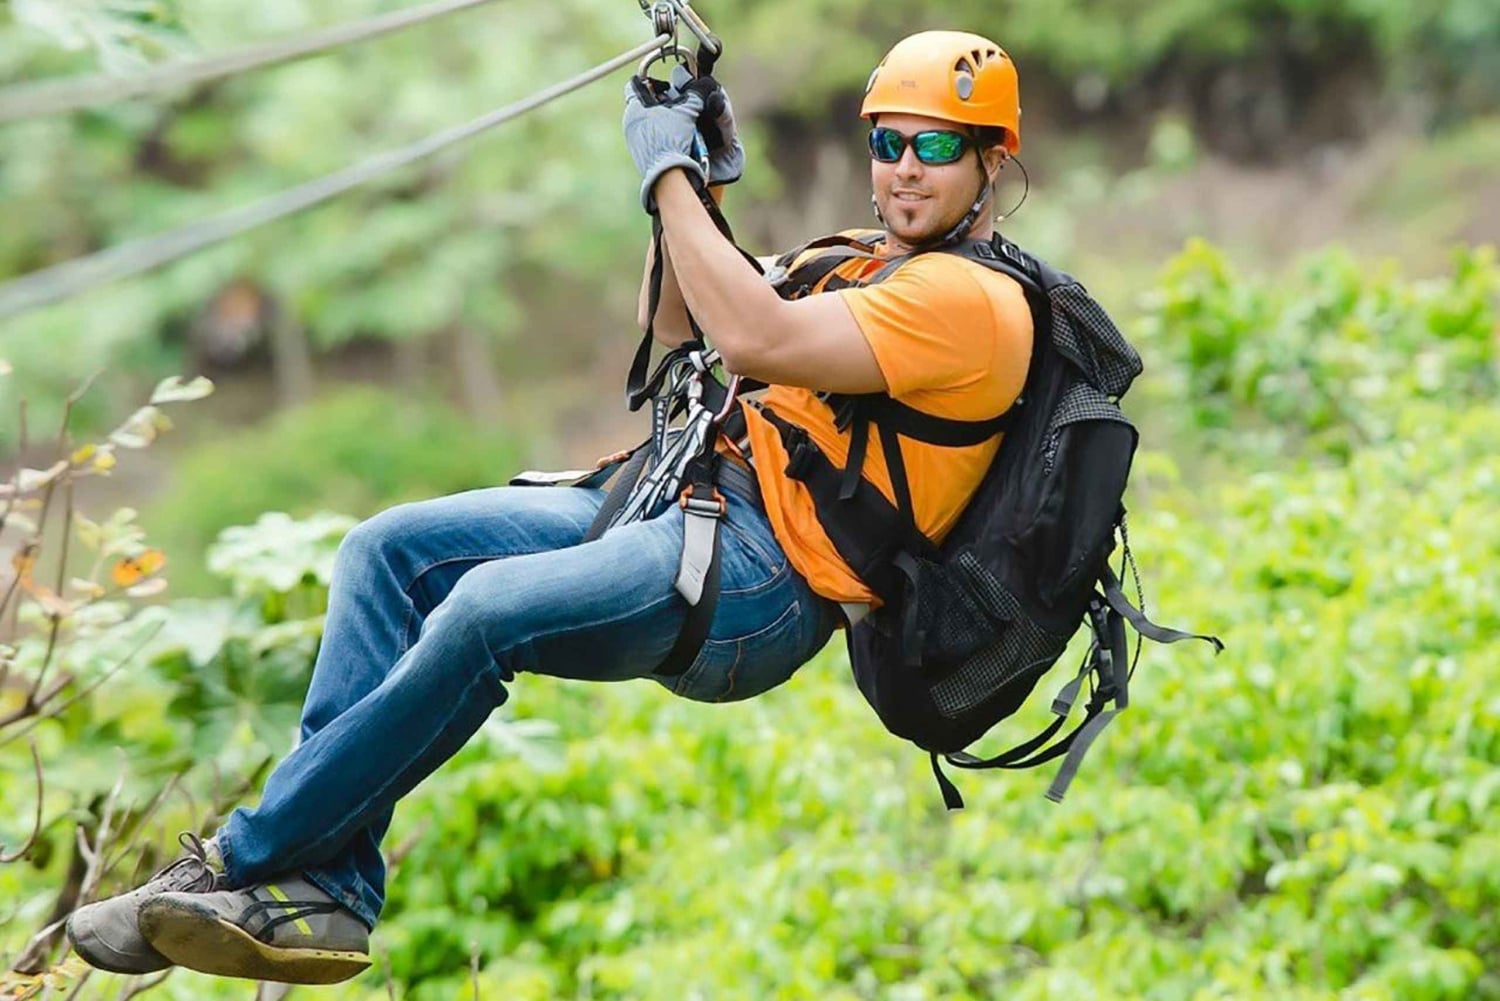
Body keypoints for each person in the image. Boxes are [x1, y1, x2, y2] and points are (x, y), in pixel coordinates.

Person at [64, 30, 1034, 986]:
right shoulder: (866, 257)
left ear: (994, 162)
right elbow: (676, 321)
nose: (905, 169)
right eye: (888, 143)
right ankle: (332, 887)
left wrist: (665, 177)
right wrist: (700, 188)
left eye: (937, 147)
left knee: (487, 612)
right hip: (675, 498)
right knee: (384, 551)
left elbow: (754, 337)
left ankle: (237, 859)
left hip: (762, 579)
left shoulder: (971, 305)